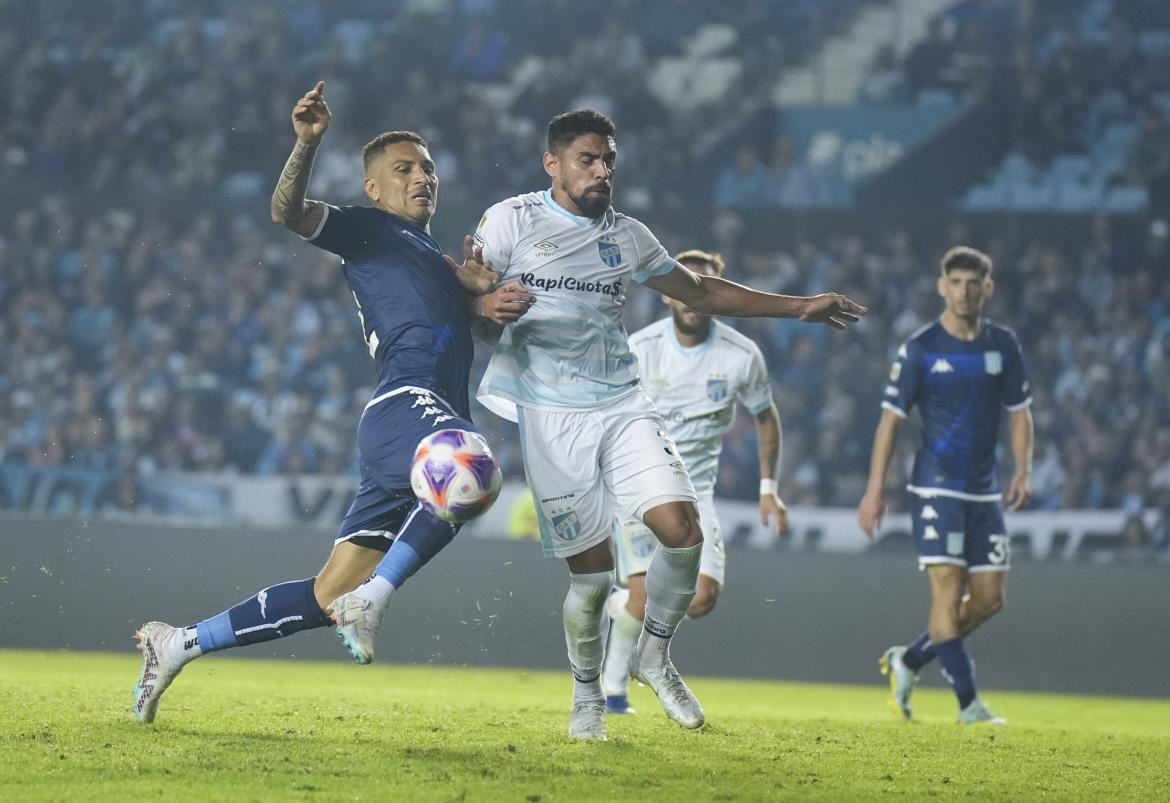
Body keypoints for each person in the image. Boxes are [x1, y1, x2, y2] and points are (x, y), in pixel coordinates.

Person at [335, 108, 866, 741]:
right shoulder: (509, 220)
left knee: (682, 526)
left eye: (608, 158)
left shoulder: (630, 237)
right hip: (550, 417)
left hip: (621, 403)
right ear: (552, 164)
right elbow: (471, 311)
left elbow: (699, 291)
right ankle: (586, 695)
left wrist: (802, 306)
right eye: (587, 159)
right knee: (592, 583)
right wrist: (486, 307)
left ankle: (654, 654)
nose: (601, 169)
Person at [131, 81, 533, 723]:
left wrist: (483, 303)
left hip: (410, 429)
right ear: (372, 187)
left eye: (427, 168)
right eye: (403, 169)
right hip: (407, 405)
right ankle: (375, 596)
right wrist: (306, 145)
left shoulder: (434, 257)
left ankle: (177, 643)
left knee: (326, 596)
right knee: (472, 471)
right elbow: (288, 212)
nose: (421, 176)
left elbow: (469, 328)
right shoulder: (370, 229)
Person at [600, 248, 789, 715]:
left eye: (707, 288)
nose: (694, 297)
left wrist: (769, 489)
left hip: (696, 492)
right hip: (638, 486)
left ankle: (620, 607)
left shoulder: (742, 356)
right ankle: (616, 683)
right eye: (686, 287)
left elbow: (766, 418)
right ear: (668, 294)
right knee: (648, 598)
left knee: (701, 599)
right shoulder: (639, 349)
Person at [857, 246, 1033, 726]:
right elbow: (890, 421)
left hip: (984, 488)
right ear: (942, 287)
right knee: (948, 592)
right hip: (936, 487)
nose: (964, 291)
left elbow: (1020, 413)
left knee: (990, 598)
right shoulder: (921, 347)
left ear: (987, 288)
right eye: (955, 282)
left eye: (973, 283)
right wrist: (875, 489)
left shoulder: (1003, 345)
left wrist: (1024, 469)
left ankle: (909, 660)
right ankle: (969, 705)